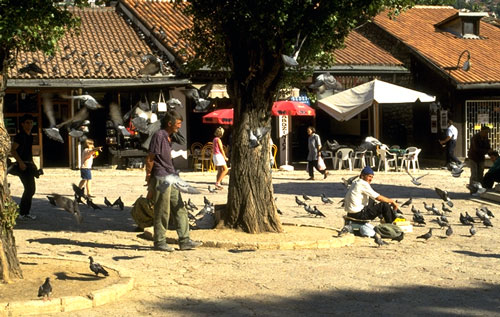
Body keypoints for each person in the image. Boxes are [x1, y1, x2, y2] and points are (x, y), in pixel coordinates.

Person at [145, 110, 202, 252]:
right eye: (177, 124)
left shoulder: (171, 136)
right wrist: (148, 177)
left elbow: (183, 141)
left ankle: (185, 240)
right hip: (161, 176)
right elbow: (150, 158)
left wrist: (176, 129)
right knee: (163, 210)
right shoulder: (159, 136)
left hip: (171, 175)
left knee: (179, 207)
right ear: (169, 123)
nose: (179, 126)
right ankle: (159, 242)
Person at [11, 114, 40, 220]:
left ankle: (25, 212)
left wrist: (33, 165)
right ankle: (22, 212)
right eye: (27, 122)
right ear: (23, 124)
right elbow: (13, 150)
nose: (30, 124)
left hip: (28, 164)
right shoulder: (20, 136)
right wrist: (20, 162)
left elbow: (28, 152)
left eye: (31, 122)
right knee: (29, 188)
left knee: (31, 189)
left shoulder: (29, 136)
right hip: (21, 165)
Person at [467, 126, 492, 191]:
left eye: (487, 132)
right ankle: (473, 189)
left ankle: (479, 189)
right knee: (474, 174)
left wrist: (491, 153)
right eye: (485, 132)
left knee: (480, 174)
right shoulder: (475, 138)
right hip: (473, 157)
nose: (486, 134)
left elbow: (488, 147)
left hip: (481, 158)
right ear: (481, 131)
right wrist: (486, 151)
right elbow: (476, 149)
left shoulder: (486, 138)